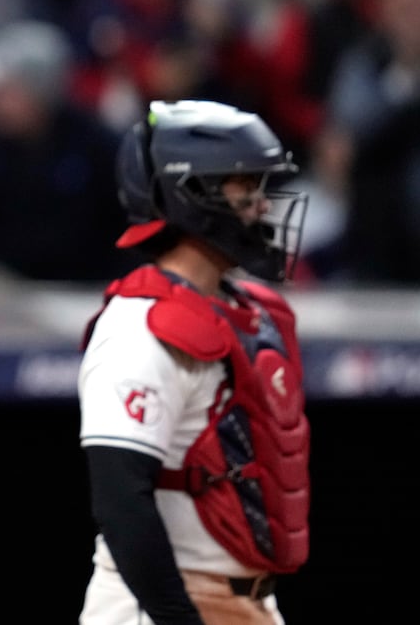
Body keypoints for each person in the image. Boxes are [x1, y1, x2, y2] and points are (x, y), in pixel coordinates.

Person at [78, 99, 311, 625]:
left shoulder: (250, 311)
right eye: (244, 187)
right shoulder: (141, 325)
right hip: (156, 606)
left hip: (247, 601)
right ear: (191, 194)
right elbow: (121, 502)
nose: (263, 206)